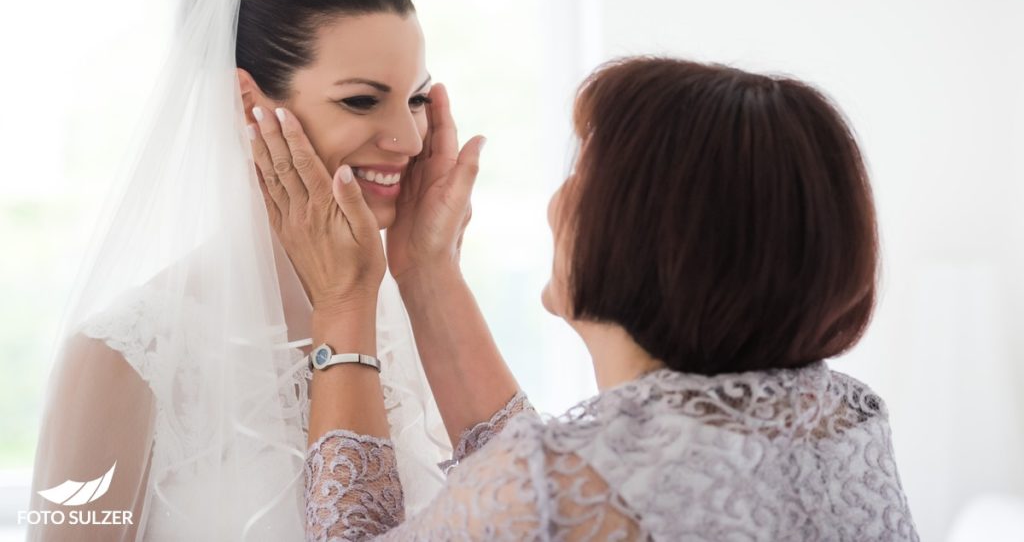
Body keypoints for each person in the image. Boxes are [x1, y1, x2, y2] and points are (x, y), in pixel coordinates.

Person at [252, 57, 920, 540]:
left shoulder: (559, 486)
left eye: (582, 174)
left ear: (648, 229)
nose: (558, 201)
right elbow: (560, 489)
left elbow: (546, 495)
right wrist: (427, 273)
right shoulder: (842, 417)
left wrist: (343, 301)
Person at [29, 0, 450, 540]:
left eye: (415, 98)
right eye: (361, 101)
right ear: (247, 103)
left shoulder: (408, 321)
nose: (409, 140)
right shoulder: (125, 357)